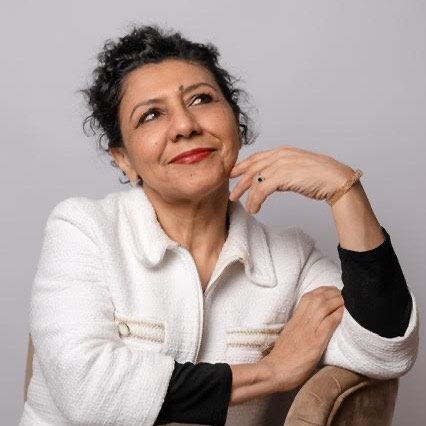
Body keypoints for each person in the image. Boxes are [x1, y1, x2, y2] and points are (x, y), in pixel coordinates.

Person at [20, 25, 419, 426]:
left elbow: (383, 350)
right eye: (151, 115)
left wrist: (345, 191)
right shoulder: (83, 228)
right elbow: (88, 390)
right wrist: (272, 371)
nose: (185, 126)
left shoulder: (291, 258)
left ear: (236, 122)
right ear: (123, 158)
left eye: (201, 99)